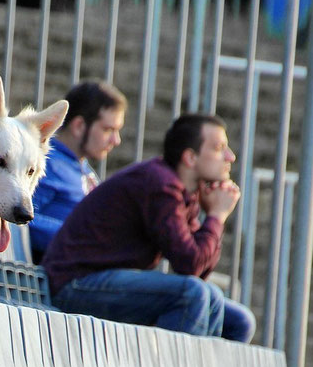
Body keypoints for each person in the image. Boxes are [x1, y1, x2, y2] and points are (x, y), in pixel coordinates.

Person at [42, 114, 255, 343]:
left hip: (103, 282)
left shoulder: (182, 190)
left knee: (234, 317)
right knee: (192, 294)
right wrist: (216, 216)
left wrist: (213, 217)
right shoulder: (160, 185)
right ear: (190, 157)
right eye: (218, 148)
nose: (230, 156)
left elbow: (198, 269)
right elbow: (189, 264)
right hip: (75, 284)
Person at [29, 81, 126, 263]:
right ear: (79, 126)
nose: (116, 140)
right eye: (108, 129)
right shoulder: (47, 163)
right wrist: (84, 238)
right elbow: (20, 223)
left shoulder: (81, 166)